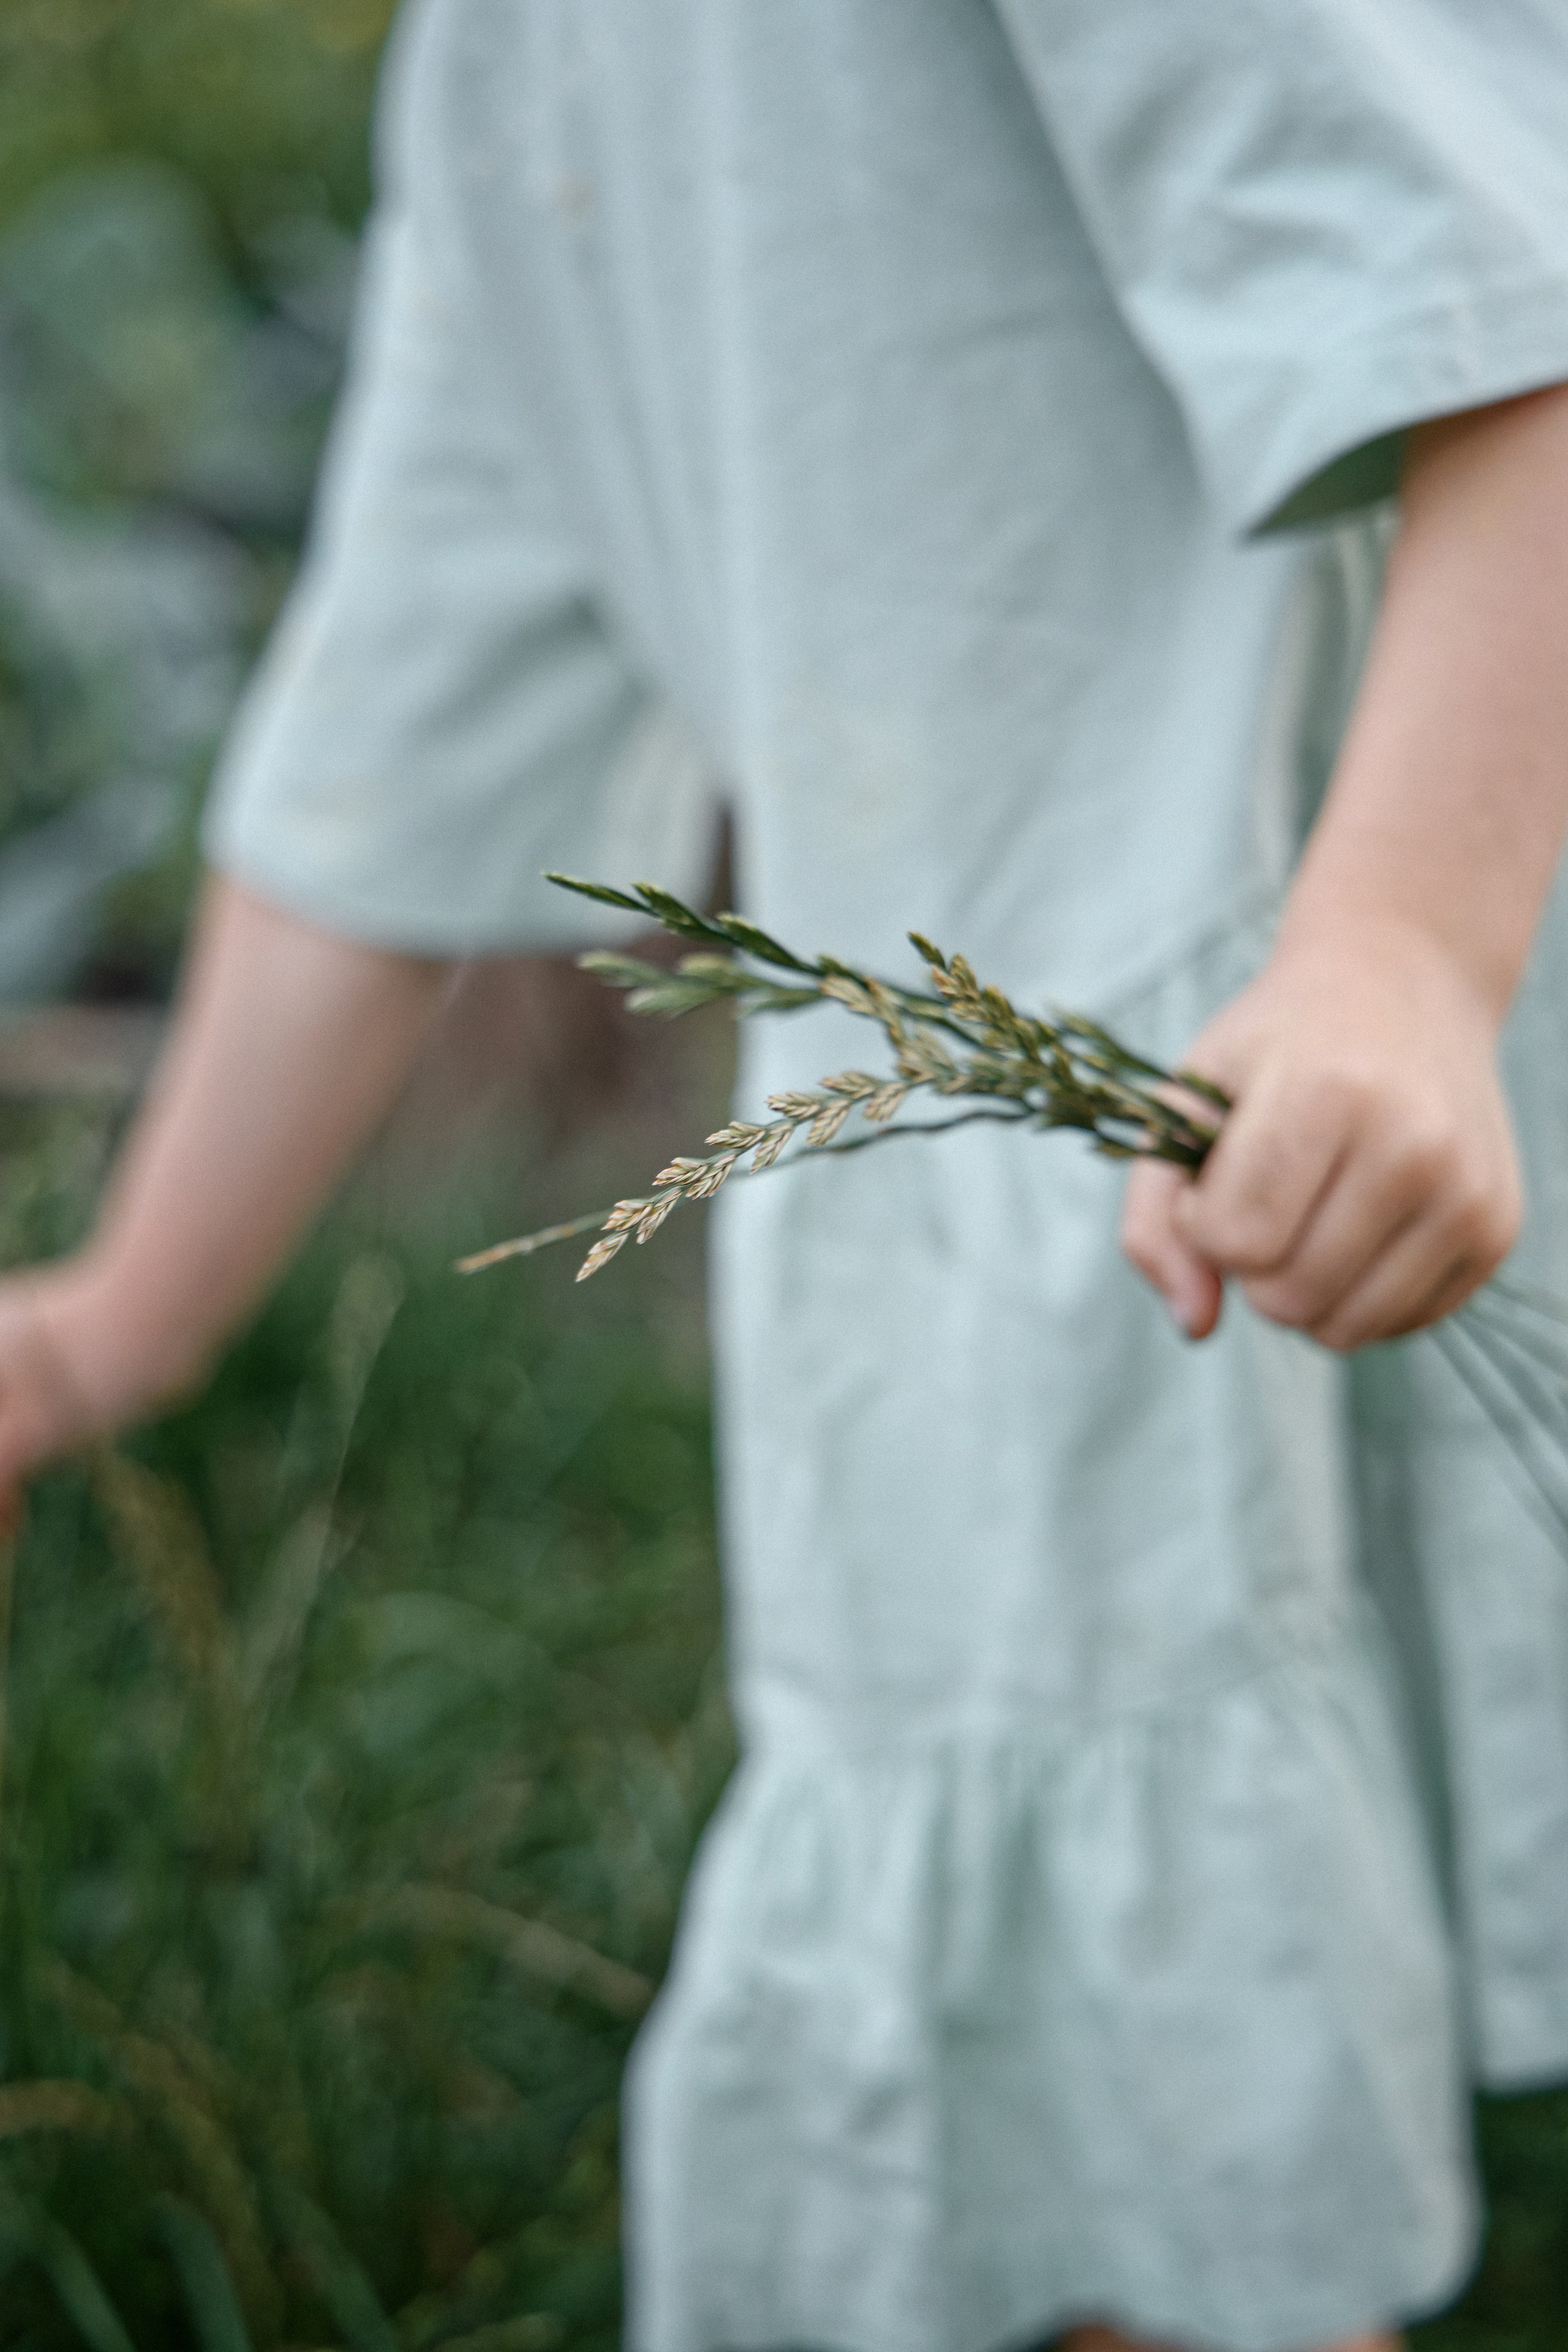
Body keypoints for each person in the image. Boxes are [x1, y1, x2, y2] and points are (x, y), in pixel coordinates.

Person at [5, 5, 1568, 2349]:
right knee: (1089, 2056)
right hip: (955, 1143)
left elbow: (1515, 310)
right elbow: (388, 726)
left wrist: (1406, 953)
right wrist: (110, 1322)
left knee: (1172, 2157)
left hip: (1288, 1003)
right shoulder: (507, 57)